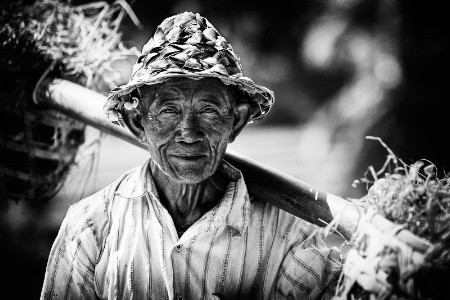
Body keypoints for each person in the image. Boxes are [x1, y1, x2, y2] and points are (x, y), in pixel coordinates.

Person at [41, 12, 342, 300]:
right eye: (168, 110)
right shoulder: (91, 226)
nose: (188, 132)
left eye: (209, 110)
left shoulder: (286, 234)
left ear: (235, 122)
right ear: (138, 123)